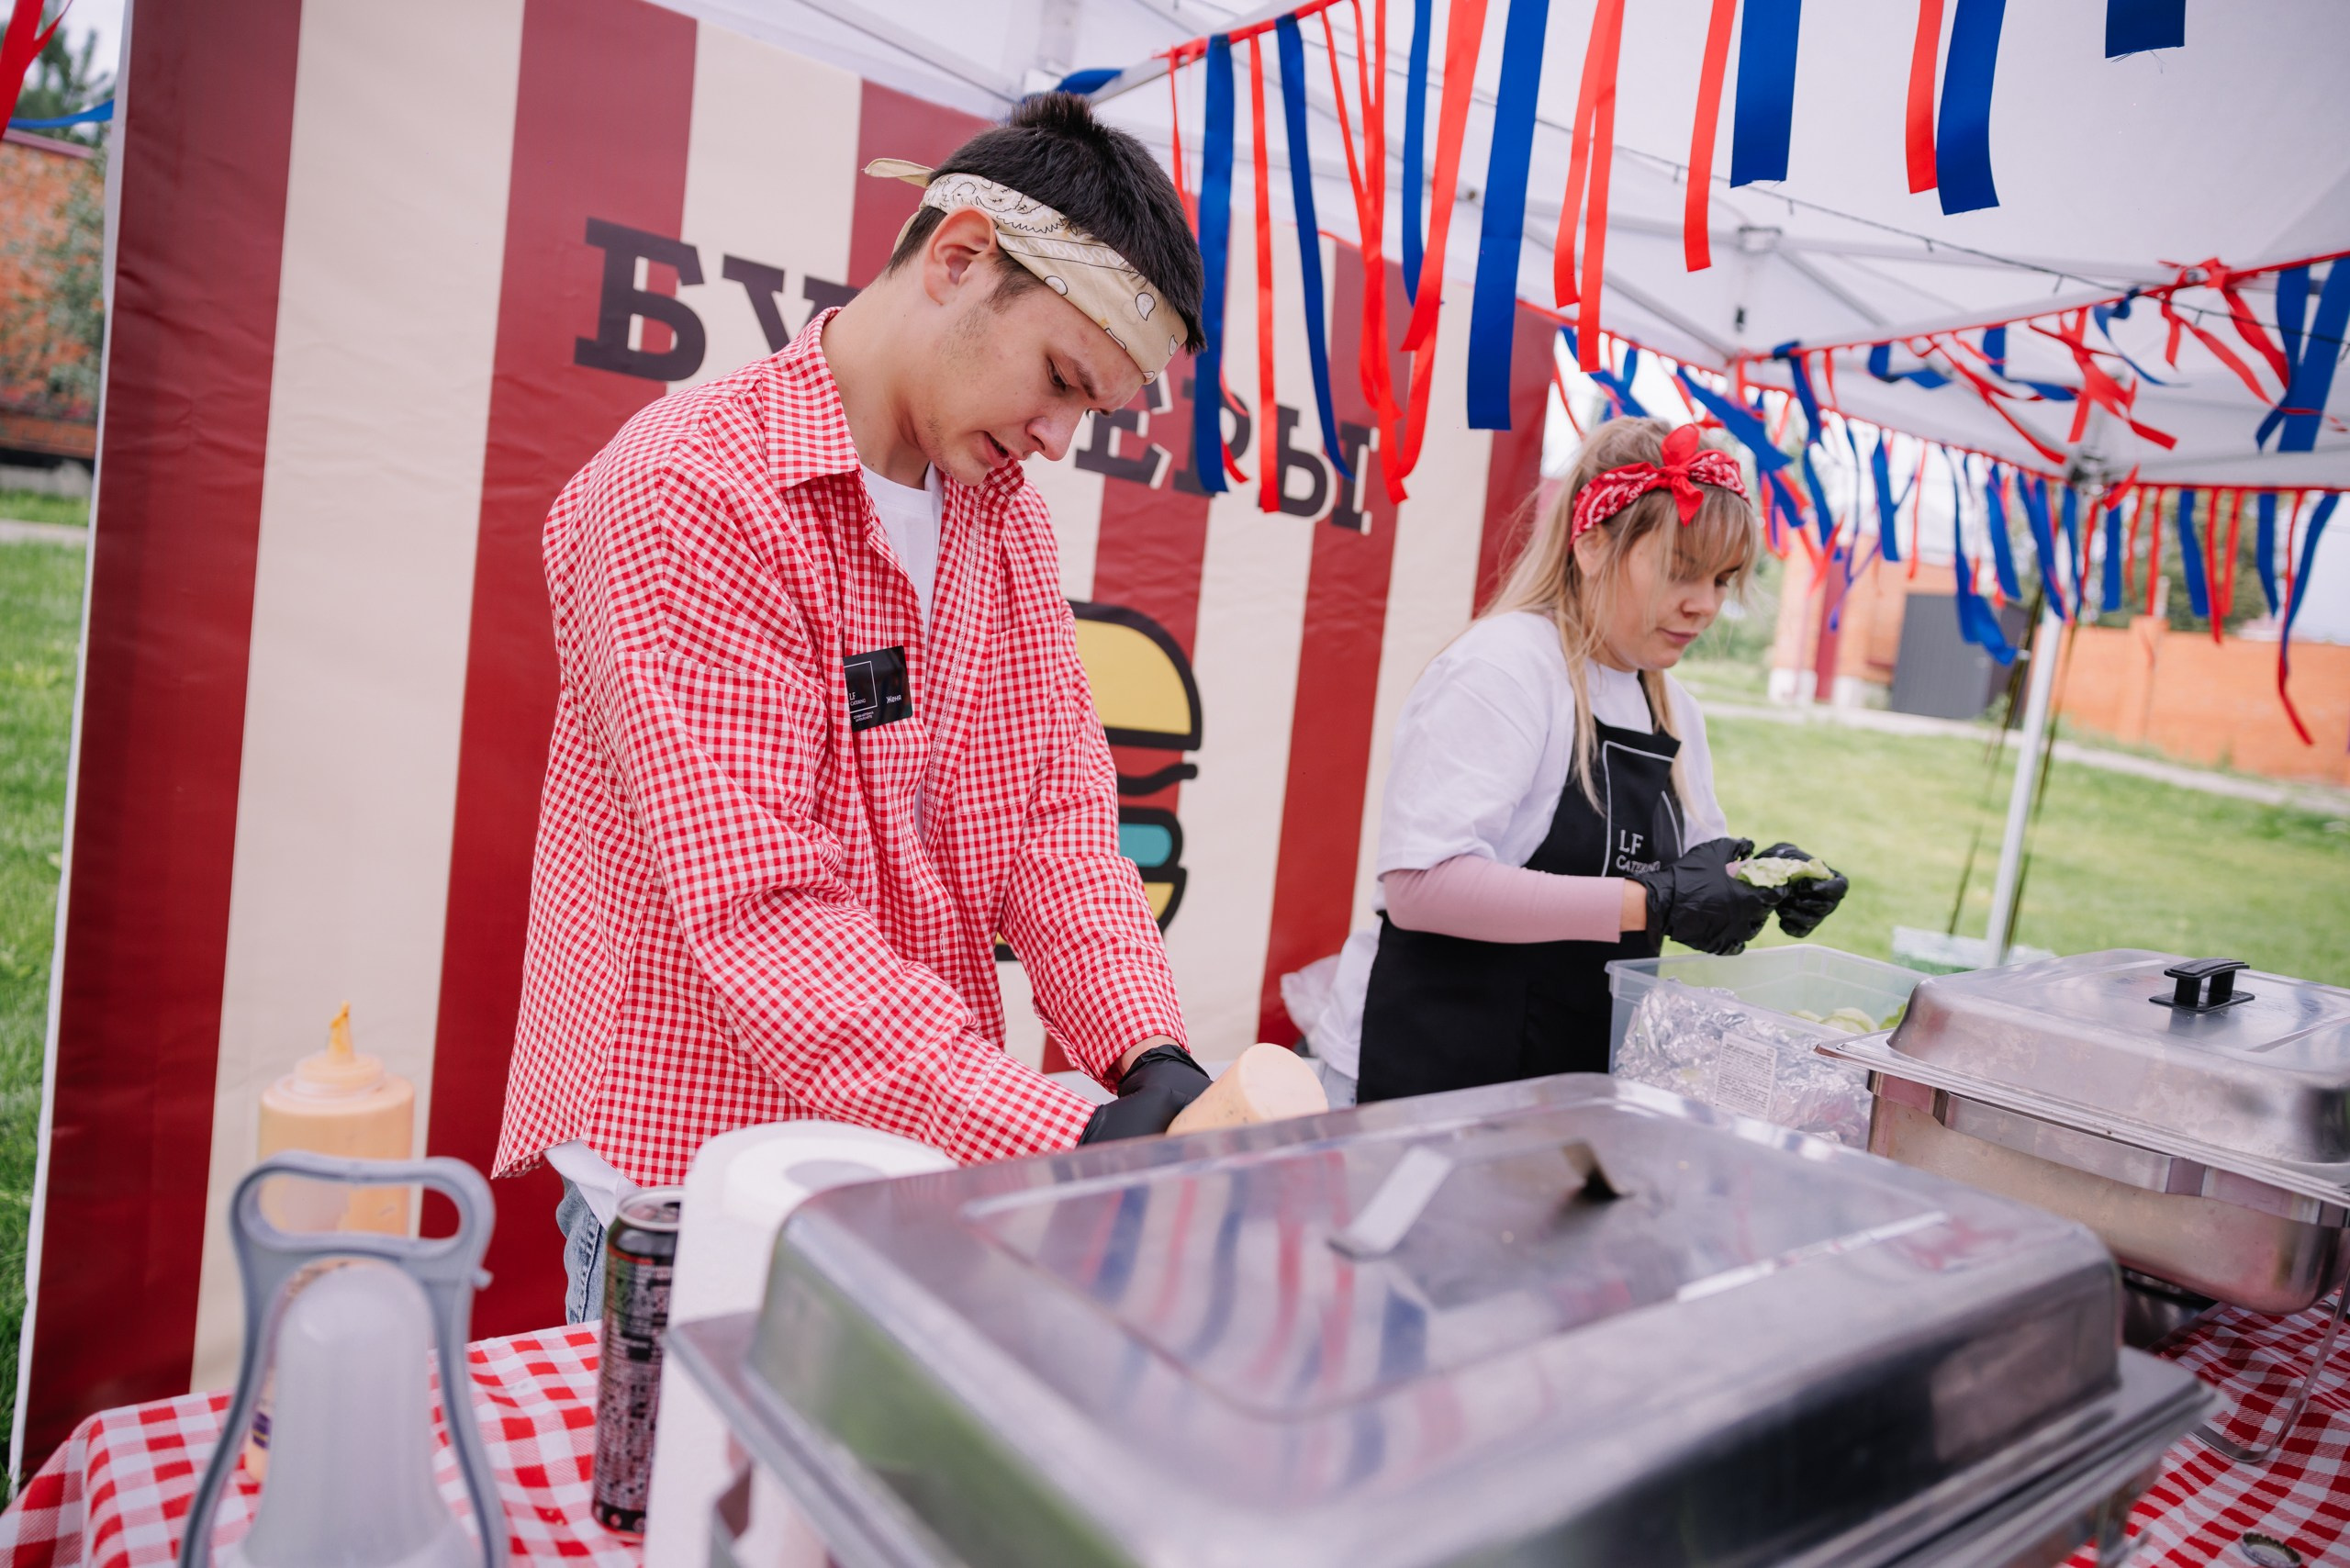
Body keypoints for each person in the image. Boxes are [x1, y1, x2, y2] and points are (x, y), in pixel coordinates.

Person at [496, 95, 1222, 1324]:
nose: (1058, 438)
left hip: (909, 1175)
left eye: (1091, 410)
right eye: (1059, 379)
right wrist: (1068, 1133)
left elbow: (1053, 824)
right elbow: (765, 917)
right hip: (697, 1188)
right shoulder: (692, 490)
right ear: (958, 258)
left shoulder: (1002, 520)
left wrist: (1148, 1054)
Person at [1326, 416, 1849, 1105]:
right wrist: (1649, 901)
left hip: (1567, 1076)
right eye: (1681, 571)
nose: (1704, 605)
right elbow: (1423, 887)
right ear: (1593, 544)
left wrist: (1763, 880)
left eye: (1723, 579)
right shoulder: (1505, 668)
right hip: (1430, 1065)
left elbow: (1690, 875)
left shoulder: (1672, 706)